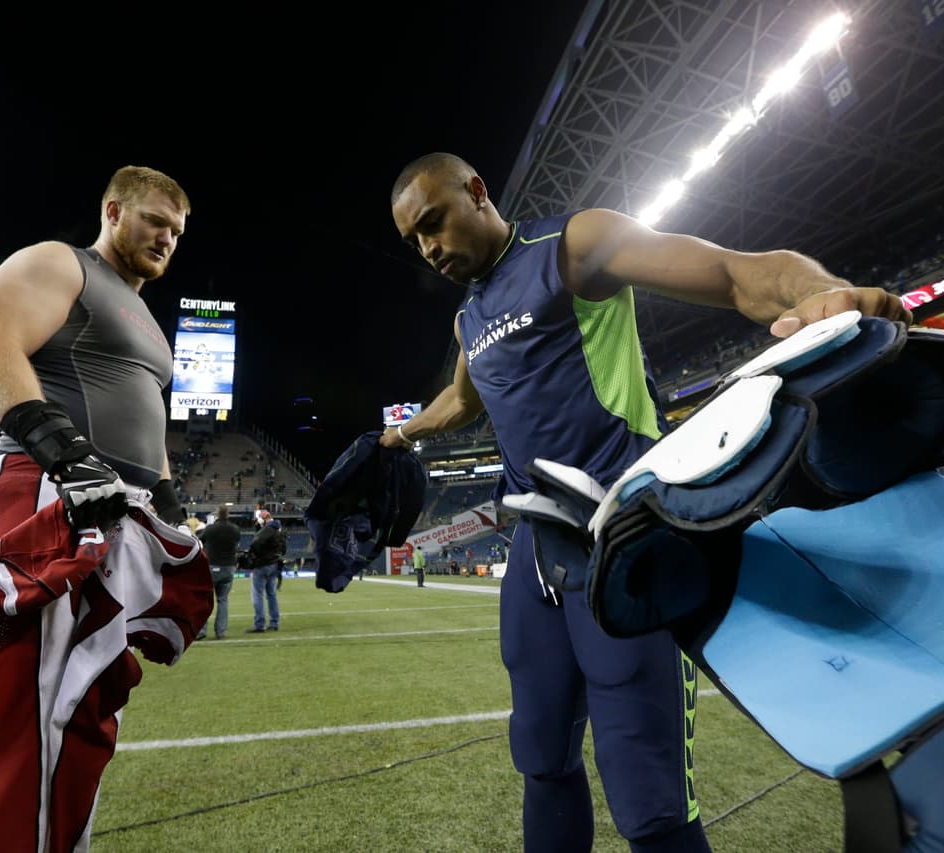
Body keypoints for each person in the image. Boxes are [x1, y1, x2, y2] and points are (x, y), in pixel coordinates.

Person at [382, 152, 911, 853]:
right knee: (541, 755)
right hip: (534, 552)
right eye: (413, 240)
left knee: (648, 791)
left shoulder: (573, 246)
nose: (427, 248)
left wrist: (821, 294)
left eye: (433, 222)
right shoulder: (467, 321)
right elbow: (459, 401)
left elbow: (731, 271)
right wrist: (397, 434)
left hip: (624, 537)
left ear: (477, 191)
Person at [0, 165, 202, 853]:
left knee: (82, 713)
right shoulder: (63, 263)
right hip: (47, 494)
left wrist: (171, 509)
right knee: (20, 712)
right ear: (113, 211)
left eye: (177, 230)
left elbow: (148, 428)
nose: (166, 237)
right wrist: (66, 455)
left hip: (119, 511)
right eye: (155, 221)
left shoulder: (152, 327)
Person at [198, 505, 241, 640]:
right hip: (229, 567)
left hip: (212, 567)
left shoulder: (210, 529)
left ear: (217, 514)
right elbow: (236, 544)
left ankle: (202, 631)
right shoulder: (235, 529)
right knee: (223, 600)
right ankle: (220, 631)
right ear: (228, 514)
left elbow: (199, 541)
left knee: (205, 600)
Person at [245, 510, 285, 633]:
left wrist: (256, 554)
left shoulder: (267, 529)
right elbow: (283, 548)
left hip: (262, 564)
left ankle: (260, 624)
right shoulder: (278, 529)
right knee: (272, 595)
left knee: (257, 595)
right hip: (273, 564)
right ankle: (274, 622)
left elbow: (255, 543)